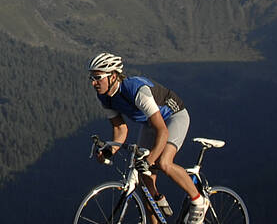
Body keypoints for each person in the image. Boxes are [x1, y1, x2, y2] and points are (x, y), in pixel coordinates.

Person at [87, 52, 208, 223]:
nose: (93, 82)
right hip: (151, 124)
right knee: (144, 183)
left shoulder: (136, 90)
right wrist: (109, 151)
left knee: (163, 162)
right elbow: (120, 129)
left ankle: (198, 201)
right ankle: (156, 198)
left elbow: (163, 131)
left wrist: (150, 160)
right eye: (91, 77)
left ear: (113, 76)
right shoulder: (104, 97)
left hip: (174, 118)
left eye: (98, 77)